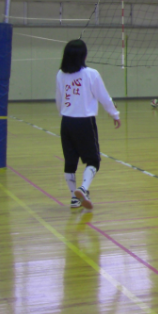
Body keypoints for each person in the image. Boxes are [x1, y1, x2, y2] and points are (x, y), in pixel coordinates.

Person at [55, 39, 121, 210]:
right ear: (83, 56)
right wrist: (114, 114)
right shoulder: (91, 74)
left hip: (66, 122)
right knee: (93, 160)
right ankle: (83, 189)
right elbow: (104, 97)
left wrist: (65, 113)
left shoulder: (61, 74)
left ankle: (74, 198)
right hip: (84, 122)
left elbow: (59, 99)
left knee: (70, 162)